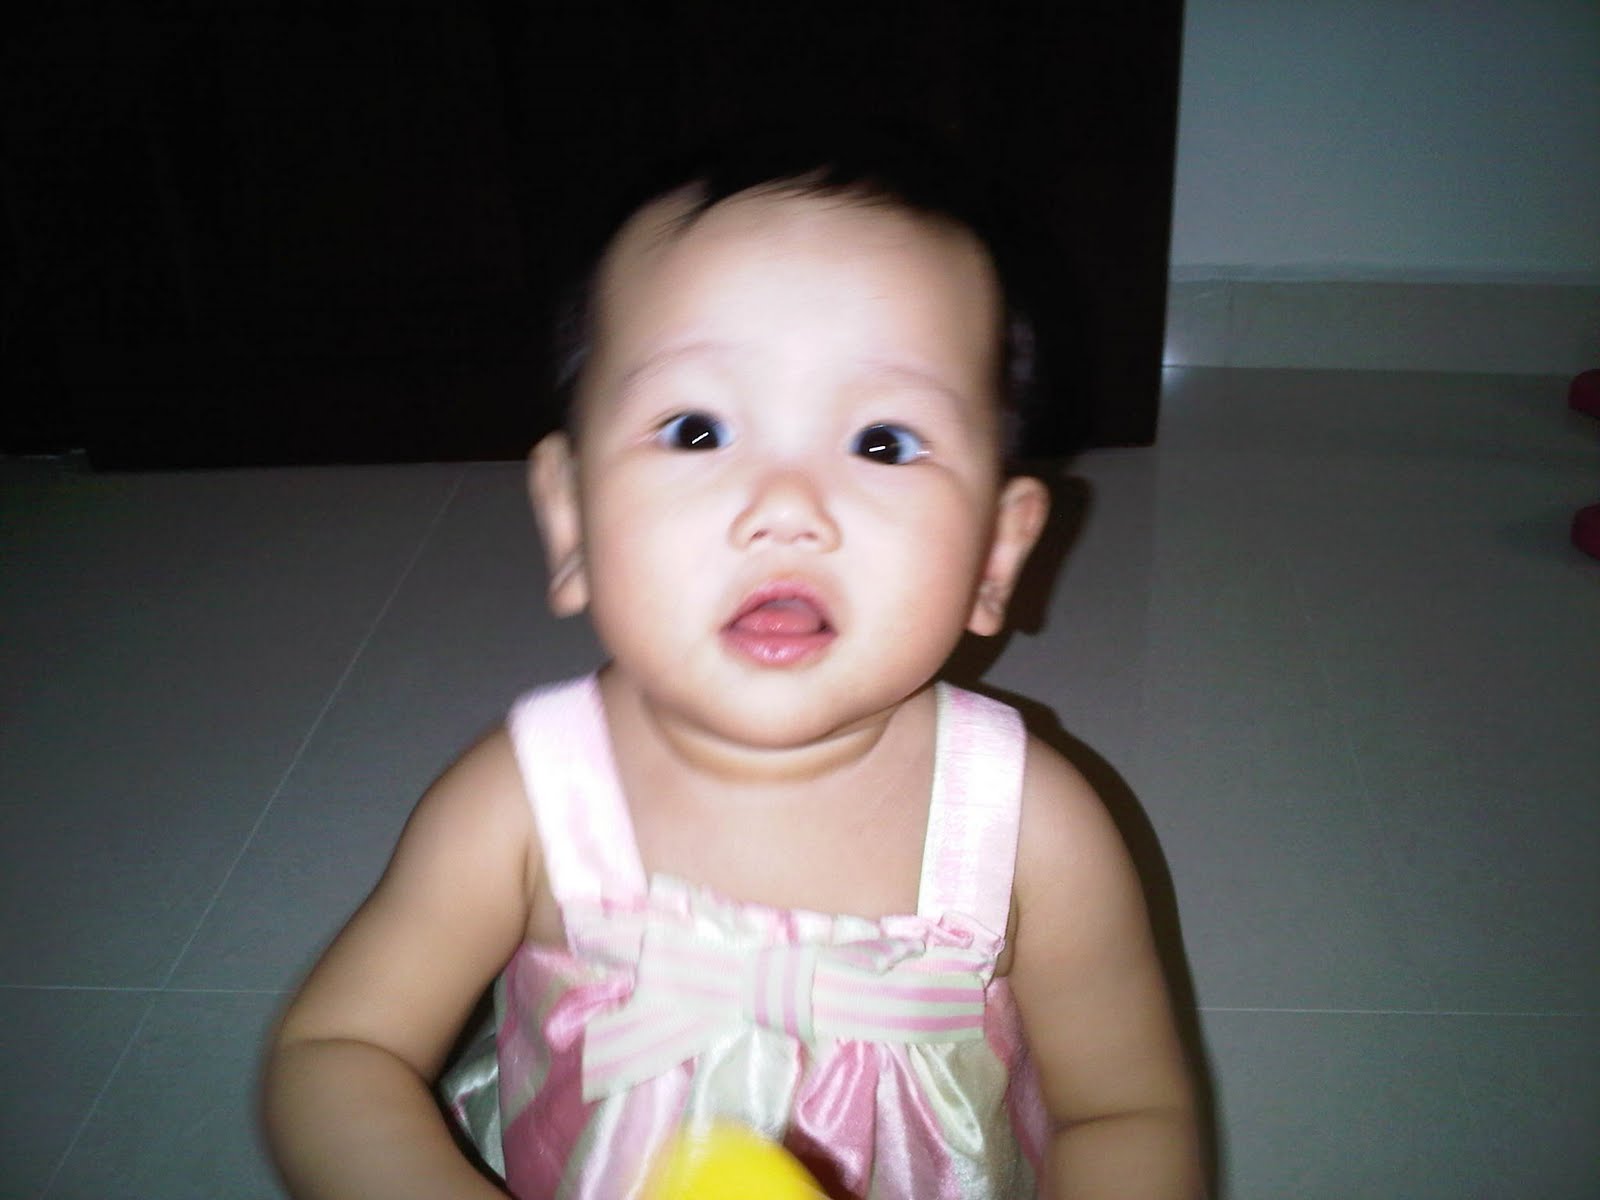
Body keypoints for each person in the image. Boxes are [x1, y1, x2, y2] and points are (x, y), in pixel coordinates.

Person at [262, 126, 1204, 1199]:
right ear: (569, 519)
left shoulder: (1032, 827)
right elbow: (338, 1051)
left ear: (997, 552)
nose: (785, 507)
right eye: (698, 430)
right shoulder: (527, 800)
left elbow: (1122, 1112)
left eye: (882, 442)